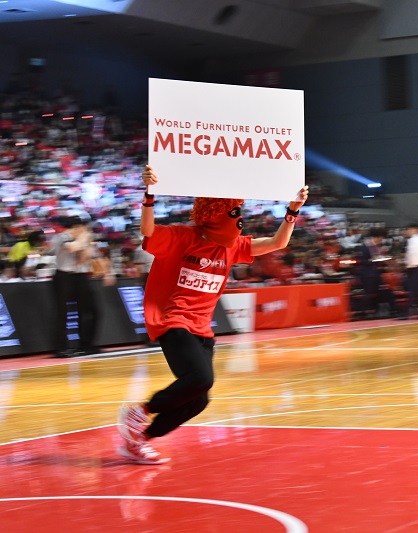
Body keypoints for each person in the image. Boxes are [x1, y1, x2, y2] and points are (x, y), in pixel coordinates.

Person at [116, 165, 308, 465]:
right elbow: (148, 231)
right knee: (201, 378)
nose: (240, 221)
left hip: (202, 330)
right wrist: (149, 194)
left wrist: (293, 210)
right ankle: (139, 412)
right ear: (217, 215)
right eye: (234, 214)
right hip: (174, 320)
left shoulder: (233, 247)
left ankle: (139, 441)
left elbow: (277, 243)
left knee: (198, 399)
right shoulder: (184, 237)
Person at [50, 217, 101, 358]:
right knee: (63, 313)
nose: (86, 231)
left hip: (79, 276)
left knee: (87, 311)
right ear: (77, 227)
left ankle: (85, 344)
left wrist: (85, 244)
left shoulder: (81, 239)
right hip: (63, 276)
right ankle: (61, 348)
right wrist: (84, 239)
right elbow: (73, 247)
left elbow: (86, 257)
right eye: (84, 228)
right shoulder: (62, 237)